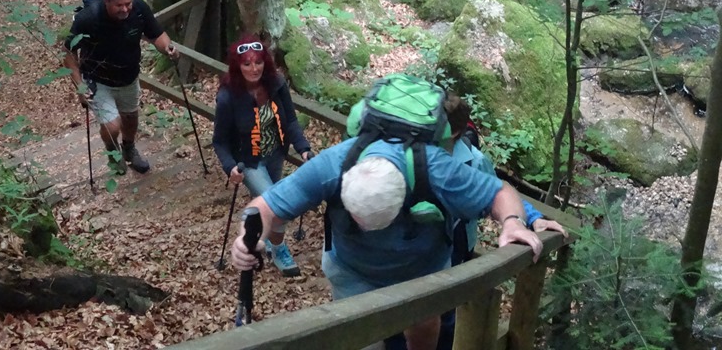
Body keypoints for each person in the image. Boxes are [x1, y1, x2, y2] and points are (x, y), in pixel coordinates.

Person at [230, 134, 566, 350]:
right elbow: (266, 207)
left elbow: (499, 191)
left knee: (425, 326)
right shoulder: (332, 165)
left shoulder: (435, 169)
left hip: (422, 274)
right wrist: (248, 237)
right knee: (360, 336)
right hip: (353, 272)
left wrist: (514, 221)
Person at [383, 93, 565, 350]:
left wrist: (534, 218)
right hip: (414, 248)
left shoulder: (473, 161)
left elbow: (495, 191)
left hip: (455, 250)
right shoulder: (411, 152)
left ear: (455, 131)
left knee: (445, 315)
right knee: (398, 318)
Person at [212, 34, 312, 277]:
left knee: (267, 199)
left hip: (276, 152)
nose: (253, 68)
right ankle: (278, 249)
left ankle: (262, 232)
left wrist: (303, 148)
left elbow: (290, 120)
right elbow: (220, 141)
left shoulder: (276, 84)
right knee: (277, 205)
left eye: (258, 62)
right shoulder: (228, 97)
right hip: (249, 161)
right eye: (247, 63)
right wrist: (230, 166)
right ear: (238, 66)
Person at [63, 0, 178, 175]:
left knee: (130, 118)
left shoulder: (139, 9)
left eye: (128, 4)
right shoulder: (89, 18)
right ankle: (113, 152)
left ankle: (129, 149)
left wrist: (168, 48)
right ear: (106, 1)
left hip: (128, 76)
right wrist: (80, 86)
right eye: (119, 5)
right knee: (112, 125)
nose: (125, 9)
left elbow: (157, 34)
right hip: (97, 79)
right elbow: (68, 53)